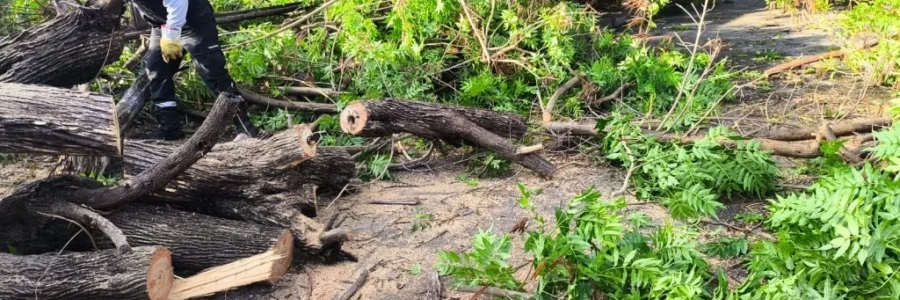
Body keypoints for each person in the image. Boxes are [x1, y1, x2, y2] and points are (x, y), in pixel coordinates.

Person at [129, 0, 258, 140]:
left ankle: (245, 128)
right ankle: (169, 128)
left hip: (194, 21)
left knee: (212, 73)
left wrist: (171, 35)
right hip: (162, 24)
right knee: (157, 72)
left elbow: (178, 2)